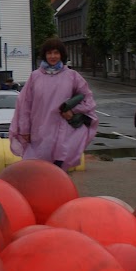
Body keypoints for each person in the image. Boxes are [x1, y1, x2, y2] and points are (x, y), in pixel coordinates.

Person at [9, 38, 98, 172]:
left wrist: (73, 110)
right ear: (44, 55)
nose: (53, 56)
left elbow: (87, 99)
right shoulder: (35, 77)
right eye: (49, 53)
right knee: (38, 171)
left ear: (61, 55)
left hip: (62, 133)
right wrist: (25, 130)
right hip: (39, 133)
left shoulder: (72, 76)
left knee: (58, 171)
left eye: (56, 53)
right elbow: (24, 105)